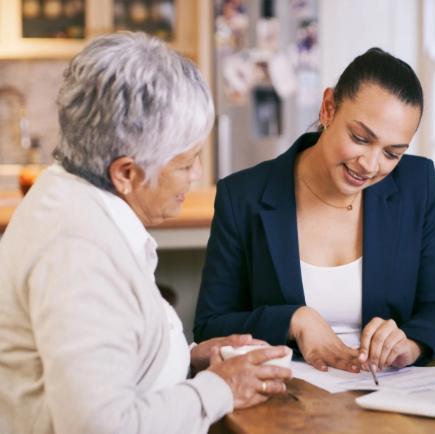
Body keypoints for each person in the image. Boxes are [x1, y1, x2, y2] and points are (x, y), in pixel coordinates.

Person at [0, 32, 292, 434]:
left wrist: (188, 358)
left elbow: (112, 352)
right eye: (186, 163)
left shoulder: (73, 194)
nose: (198, 175)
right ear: (125, 173)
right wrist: (219, 388)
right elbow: (100, 426)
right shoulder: (78, 254)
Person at [194, 48, 435, 375]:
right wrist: (294, 320)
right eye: (360, 138)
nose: (370, 165)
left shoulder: (419, 186)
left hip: (386, 395)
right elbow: (210, 327)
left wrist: (410, 345)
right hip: (286, 398)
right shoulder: (242, 196)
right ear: (328, 109)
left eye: (392, 154)